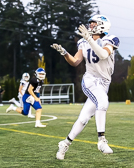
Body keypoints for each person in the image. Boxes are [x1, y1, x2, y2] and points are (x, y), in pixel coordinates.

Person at [51, 14, 120, 160]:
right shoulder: (83, 42)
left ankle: (64, 143)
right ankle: (101, 140)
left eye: (94, 24)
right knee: (103, 103)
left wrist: (90, 39)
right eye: (91, 24)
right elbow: (76, 61)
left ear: (102, 25)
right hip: (90, 80)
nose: (90, 26)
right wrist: (64, 53)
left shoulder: (110, 39)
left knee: (83, 119)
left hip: (104, 83)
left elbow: (102, 54)